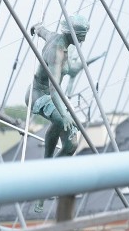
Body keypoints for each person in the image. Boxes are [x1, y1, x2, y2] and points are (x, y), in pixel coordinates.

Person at [26, 15, 90, 162]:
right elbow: (54, 88)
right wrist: (64, 114)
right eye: (81, 36)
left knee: (66, 135)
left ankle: (50, 164)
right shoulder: (57, 53)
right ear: (72, 34)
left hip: (52, 95)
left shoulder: (55, 37)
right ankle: (48, 167)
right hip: (40, 95)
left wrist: (37, 28)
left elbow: (43, 32)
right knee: (66, 131)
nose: (82, 41)